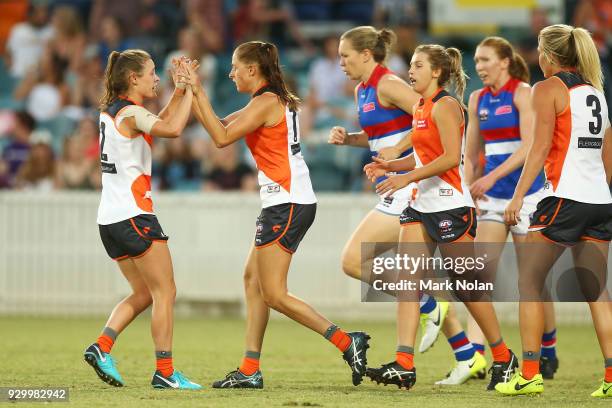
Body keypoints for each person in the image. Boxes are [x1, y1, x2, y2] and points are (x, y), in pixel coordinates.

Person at [186, 41, 370, 389]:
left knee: (273, 292)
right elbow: (218, 124)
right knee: (252, 281)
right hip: (287, 200)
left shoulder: (267, 102)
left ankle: (347, 342)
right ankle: (249, 368)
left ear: (252, 70)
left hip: (286, 203)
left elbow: (221, 137)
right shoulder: (266, 101)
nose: (231, 73)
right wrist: (190, 92)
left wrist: (195, 90)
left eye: (235, 67)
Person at [364, 44, 517, 391]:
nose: (410, 71)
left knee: (467, 288)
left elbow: (450, 158)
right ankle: (404, 363)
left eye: (418, 66)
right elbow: (421, 157)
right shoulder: (419, 105)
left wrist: (406, 177)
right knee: (408, 282)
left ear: (436, 72)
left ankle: (504, 357)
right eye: (411, 65)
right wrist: (391, 165)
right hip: (421, 206)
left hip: (450, 205)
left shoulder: (447, 106)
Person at [497, 24, 612, 398]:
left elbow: (539, 147)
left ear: (547, 54)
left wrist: (516, 198)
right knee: (596, 291)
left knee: (529, 283)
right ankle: (611, 378)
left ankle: (530, 373)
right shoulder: (595, 91)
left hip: (562, 197)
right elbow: (607, 155)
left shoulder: (547, 89)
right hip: (599, 200)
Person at [83, 49, 202, 390]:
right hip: (135, 217)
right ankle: (165, 372)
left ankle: (101, 346)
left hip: (109, 219)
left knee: (143, 292)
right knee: (165, 291)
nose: (156, 78)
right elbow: (173, 128)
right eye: (152, 73)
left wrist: (179, 92)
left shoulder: (116, 112)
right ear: (133, 78)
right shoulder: (132, 113)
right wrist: (192, 89)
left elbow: (157, 122)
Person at [329, 26, 449, 355]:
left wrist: (398, 149)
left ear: (366, 55)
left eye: (345, 55)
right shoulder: (361, 91)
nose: (340, 62)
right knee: (409, 272)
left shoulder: (389, 84)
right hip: (393, 185)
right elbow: (379, 136)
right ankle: (468, 353)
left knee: (353, 260)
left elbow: (432, 114)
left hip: (409, 184)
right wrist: (350, 139)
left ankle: (427, 307)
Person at [460, 36, 559, 381]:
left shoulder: (523, 93)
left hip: (526, 196)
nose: (480, 66)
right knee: (477, 277)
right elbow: (471, 154)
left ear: (504, 61)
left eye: (486, 59)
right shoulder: (477, 99)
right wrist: (467, 189)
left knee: (530, 280)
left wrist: (490, 178)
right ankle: (478, 355)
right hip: (492, 201)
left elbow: (530, 148)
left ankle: (548, 347)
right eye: (477, 59)